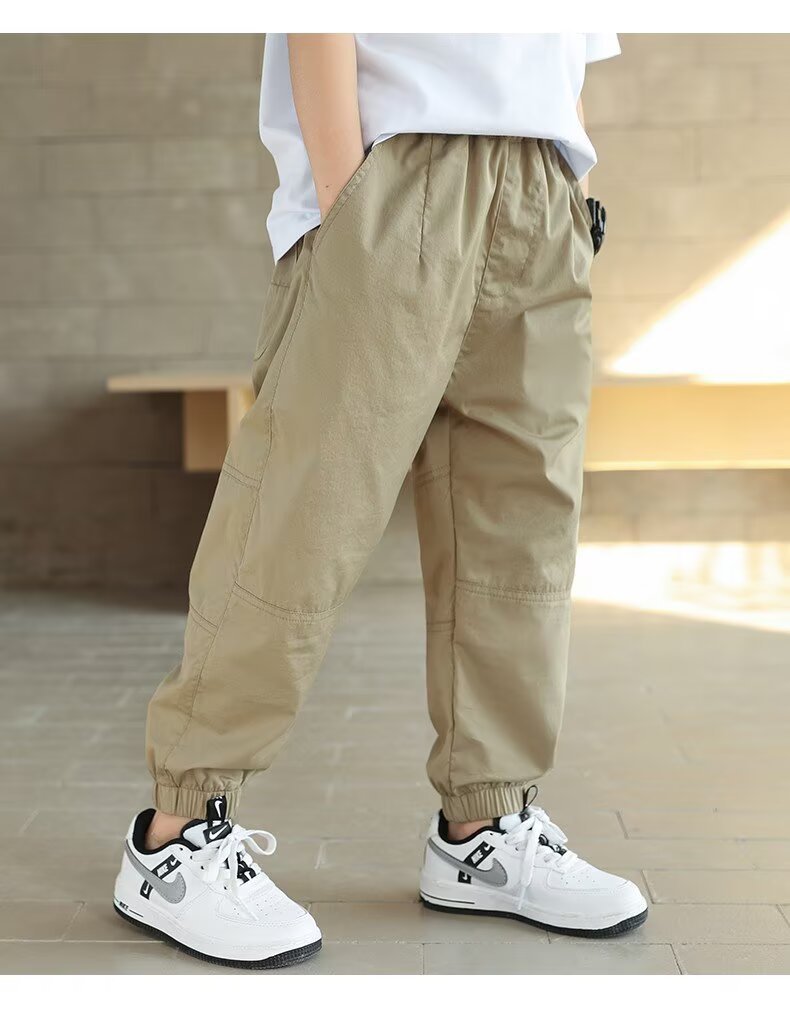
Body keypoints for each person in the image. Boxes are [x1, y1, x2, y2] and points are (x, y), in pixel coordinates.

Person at [112, 32, 648, 969]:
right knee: (301, 522)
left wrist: (568, 189)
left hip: (543, 188)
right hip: (399, 173)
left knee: (521, 536)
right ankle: (176, 836)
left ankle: (485, 827)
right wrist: (349, 197)